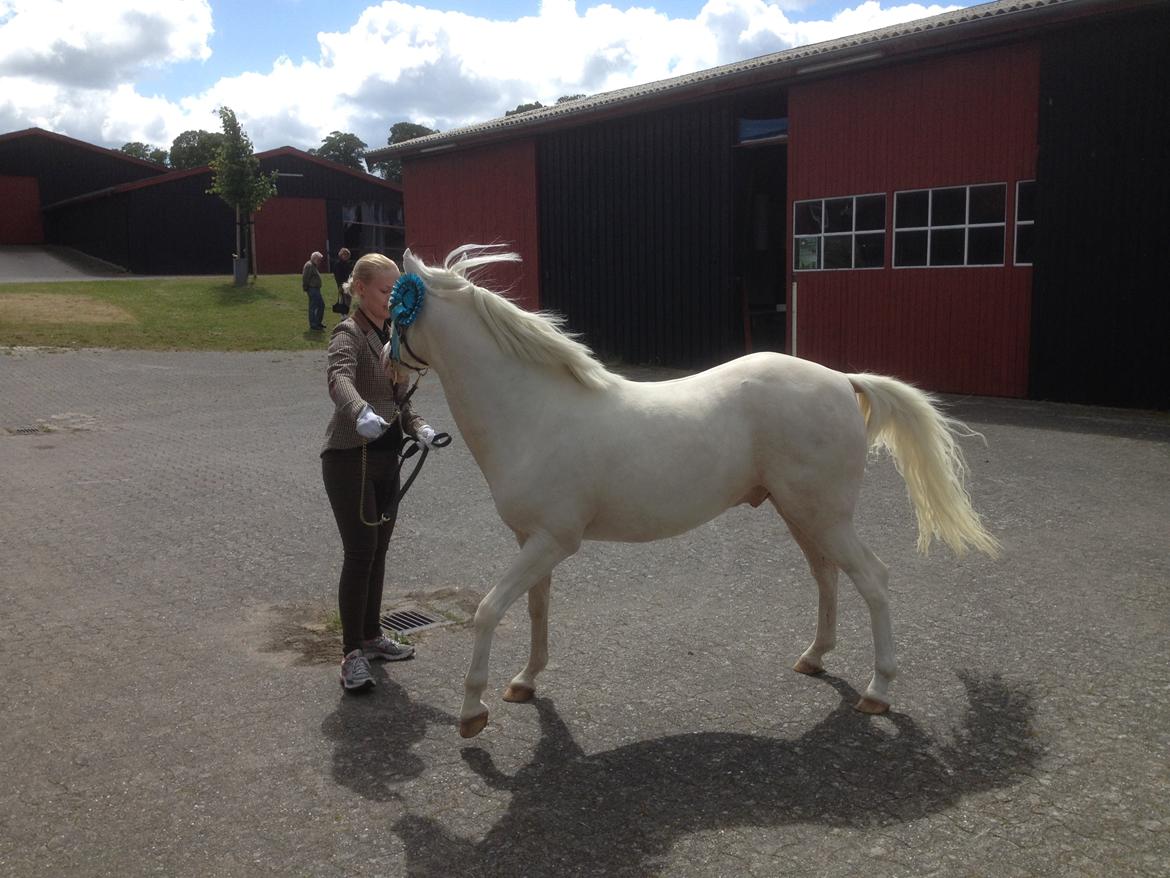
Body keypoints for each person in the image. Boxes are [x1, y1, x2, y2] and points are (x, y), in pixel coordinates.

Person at [321, 252, 442, 691]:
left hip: (388, 457)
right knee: (360, 551)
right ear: (359, 289)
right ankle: (351, 652)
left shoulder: (393, 335)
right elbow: (339, 378)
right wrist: (358, 412)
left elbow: (400, 399)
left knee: (378, 551)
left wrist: (420, 426)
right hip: (351, 456)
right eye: (384, 290)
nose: (392, 298)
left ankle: (371, 635)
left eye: (395, 290)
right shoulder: (348, 333)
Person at [302, 251, 326, 331]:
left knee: (321, 305)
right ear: (314, 258)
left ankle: (318, 322)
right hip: (312, 289)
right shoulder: (309, 265)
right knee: (314, 307)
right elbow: (305, 277)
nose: (320, 261)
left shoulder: (313, 265)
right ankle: (313, 324)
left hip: (316, 289)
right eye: (319, 260)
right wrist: (305, 287)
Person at [333, 247, 353, 313]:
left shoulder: (348, 264)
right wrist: (340, 285)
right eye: (345, 254)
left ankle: (346, 313)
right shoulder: (338, 264)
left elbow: (350, 273)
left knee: (348, 299)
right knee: (342, 300)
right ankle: (343, 315)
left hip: (349, 284)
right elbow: (337, 276)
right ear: (341, 255)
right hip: (342, 284)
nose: (346, 256)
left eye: (347, 255)